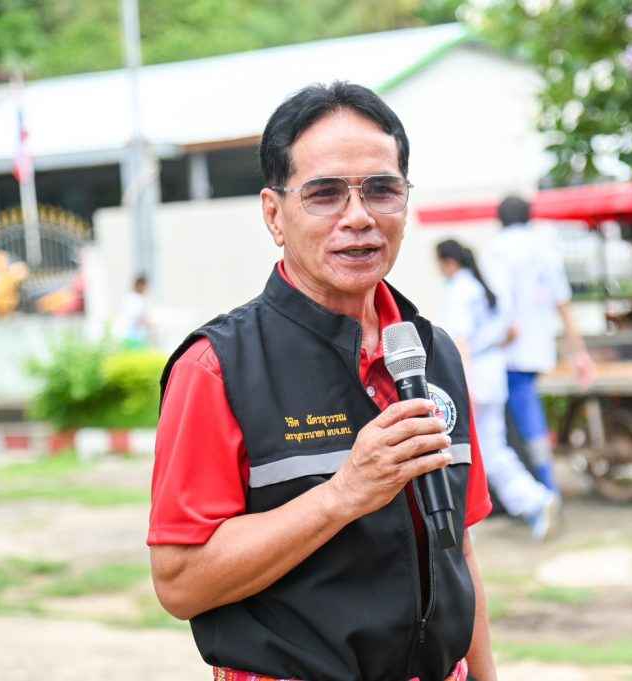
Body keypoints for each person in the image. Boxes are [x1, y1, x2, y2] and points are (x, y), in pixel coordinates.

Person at [149, 82, 496, 681]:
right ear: (274, 214)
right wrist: (342, 495)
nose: (358, 218)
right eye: (325, 194)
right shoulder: (217, 367)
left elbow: (457, 548)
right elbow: (180, 583)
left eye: (382, 190)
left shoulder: (431, 353)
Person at [436, 239, 556, 540]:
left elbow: (460, 342)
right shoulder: (482, 287)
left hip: (474, 377)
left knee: (464, 452)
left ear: (448, 262)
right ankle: (535, 500)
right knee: (491, 450)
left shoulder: (460, 291)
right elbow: (512, 332)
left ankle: (469, 523)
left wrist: (464, 386)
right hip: (492, 373)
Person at [485, 196, 592, 507]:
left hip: (507, 351)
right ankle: (540, 487)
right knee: (528, 421)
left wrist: (496, 337)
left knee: (511, 428)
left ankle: (544, 490)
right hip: (537, 349)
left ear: (500, 219)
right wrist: (579, 352)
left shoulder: (497, 249)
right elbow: (563, 303)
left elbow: (500, 302)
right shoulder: (545, 249)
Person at [112, 274, 153, 347]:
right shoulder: (134, 299)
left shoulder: (131, 298)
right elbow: (138, 317)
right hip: (128, 333)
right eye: (145, 286)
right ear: (140, 285)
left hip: (129, 333)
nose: (146, 289)